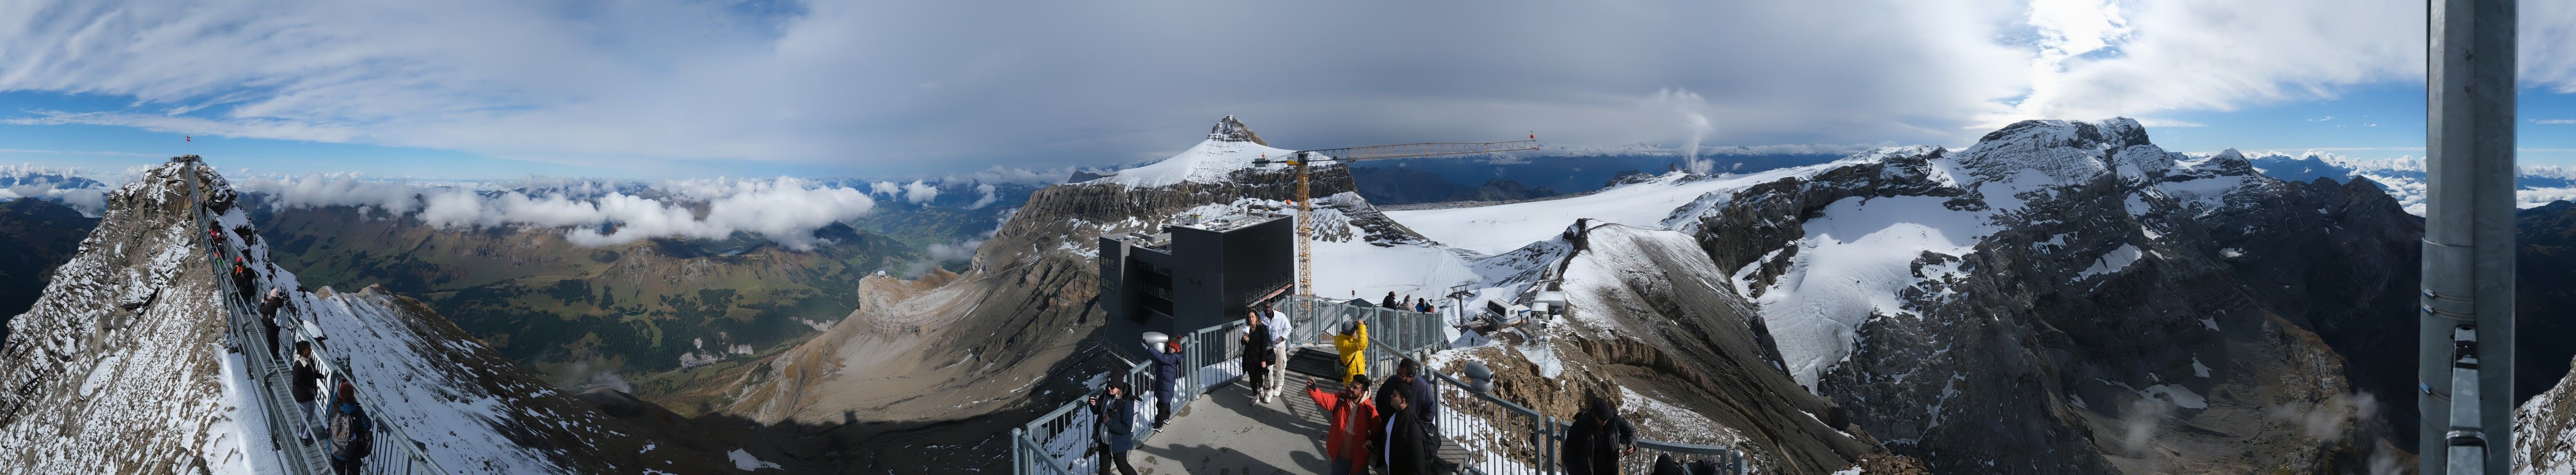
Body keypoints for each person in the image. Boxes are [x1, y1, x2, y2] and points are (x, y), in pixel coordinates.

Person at [1306, 375, 1376, 475]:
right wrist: (1313, 390)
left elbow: (1377, 432)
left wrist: (1372, 442)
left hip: (1360, 460)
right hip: (1340, 457)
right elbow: (1323, 399)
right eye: (1351, 385)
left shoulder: (1370, 410)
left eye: (1355, 388)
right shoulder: (1341, 399)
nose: (1351, 389)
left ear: (1362, 393)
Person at [1559, 396, 1637, 475]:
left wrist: (1633, 444)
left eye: (1607, 418)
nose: (1605, 422)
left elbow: (1631, 430)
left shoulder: (1614, 420)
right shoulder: (1581, 426)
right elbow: (1567, 454)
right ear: (1594, 415)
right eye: (1602, 419)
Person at [1380, 387, 1440, 475]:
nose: (1391, 396)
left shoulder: (1413, 427)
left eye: (1395, 395)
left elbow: (1418, 461)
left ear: (1402, 401)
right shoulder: (1394, 416)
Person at [1088, 381, 1141, 475]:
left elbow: (1127, 429)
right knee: (1104, 471)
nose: (1109, 388)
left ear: (1119, 388)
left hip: (1118, 442)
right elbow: (1097, 411)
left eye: (1112, 386)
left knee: (1123, 467)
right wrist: (1093, 404)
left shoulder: (1126, 403)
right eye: (1108, 385)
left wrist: (1109, 422)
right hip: (1104, 441)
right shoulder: (1106, 395)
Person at [327, 380, 374, 475]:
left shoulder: (335, 408)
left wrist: (337, 393)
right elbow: (368, 425)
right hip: (351, 452)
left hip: (335, 448)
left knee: (338, 472)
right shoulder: (358, 411)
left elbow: (329, 408)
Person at [1147, 338, 1184, 429]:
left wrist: (1149, 348)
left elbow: (1162, 357)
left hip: (1166, 384)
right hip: (1167, 383)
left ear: (1177, 350)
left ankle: (1158, 426)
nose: (1172, 349)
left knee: (1161, 406)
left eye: (1174, 348)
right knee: (1166, 402)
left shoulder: (1171, 357)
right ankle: (1167, 418)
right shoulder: (1174, 355)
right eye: (1171, 347)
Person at [291, 342, 322, 445]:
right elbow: (297, 381)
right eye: (309, 348)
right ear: (304, 351)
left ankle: (302, 427)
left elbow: (312, 372)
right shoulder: (299, 364)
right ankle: (303, 436)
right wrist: (309, 389)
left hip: (310, 392)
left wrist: (320, 376)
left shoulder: (309, 359)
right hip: (303, 394)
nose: (311, 350)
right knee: (305, 415)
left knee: (311, 412)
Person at [1262, 308, 1291, 403]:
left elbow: (1288, 328)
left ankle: (1279, 386)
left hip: (1280, 347)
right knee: (1268, 371)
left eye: (1269, 307)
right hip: (1269, 348)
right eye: (1265, 308)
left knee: (1281, 367)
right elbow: (1251, 321)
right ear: (1263, 309)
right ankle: (1269, 390)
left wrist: (1283, 337)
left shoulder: (1281, 316)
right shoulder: (1260, 316)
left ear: (1272, 307)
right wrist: (1246, 333)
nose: (1268, 310)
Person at [1240, 311, 1272, 399]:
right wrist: (1244, 339)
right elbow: (1243, 343)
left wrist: (1263, 360)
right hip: (1249, 358)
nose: (1251, 319)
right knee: (1252, 378)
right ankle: (1255, 396)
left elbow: (1264, 345)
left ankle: (1261, 387)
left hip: (1258, 358)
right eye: (1250, 318)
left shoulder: (1261, 329)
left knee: (1258, 377)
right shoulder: (1248, 329)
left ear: (1256, 317)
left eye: (1253, 317)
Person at [1332, 320, 1368, 386]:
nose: (1357, 331)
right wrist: (1361, 327)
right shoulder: (1344, 344)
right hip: (1352, 382)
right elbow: (1361, 344)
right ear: (1352, 333)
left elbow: (1363, 346)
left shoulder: (1351, 339)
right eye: (1356, 329)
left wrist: (1363, 329)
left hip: (1359, 378)